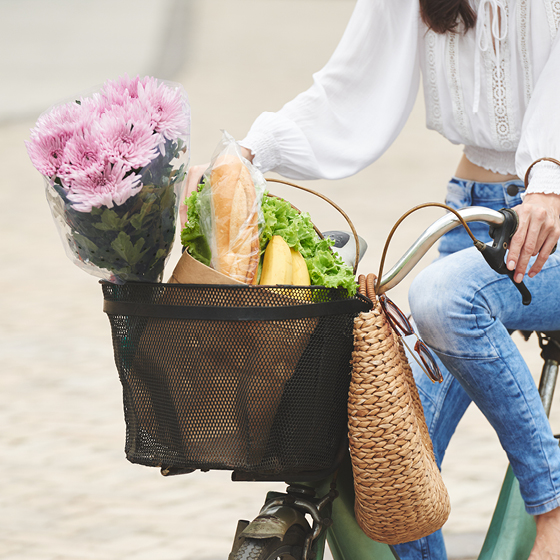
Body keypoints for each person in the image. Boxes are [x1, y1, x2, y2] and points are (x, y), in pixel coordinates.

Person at [181, 0, 560, 558]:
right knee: (386, 469)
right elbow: (349, 88)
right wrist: (247, 153)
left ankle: (551, 505)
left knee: (442, 298)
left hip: (552, 210)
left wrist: (548, 175)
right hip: (474, 217)